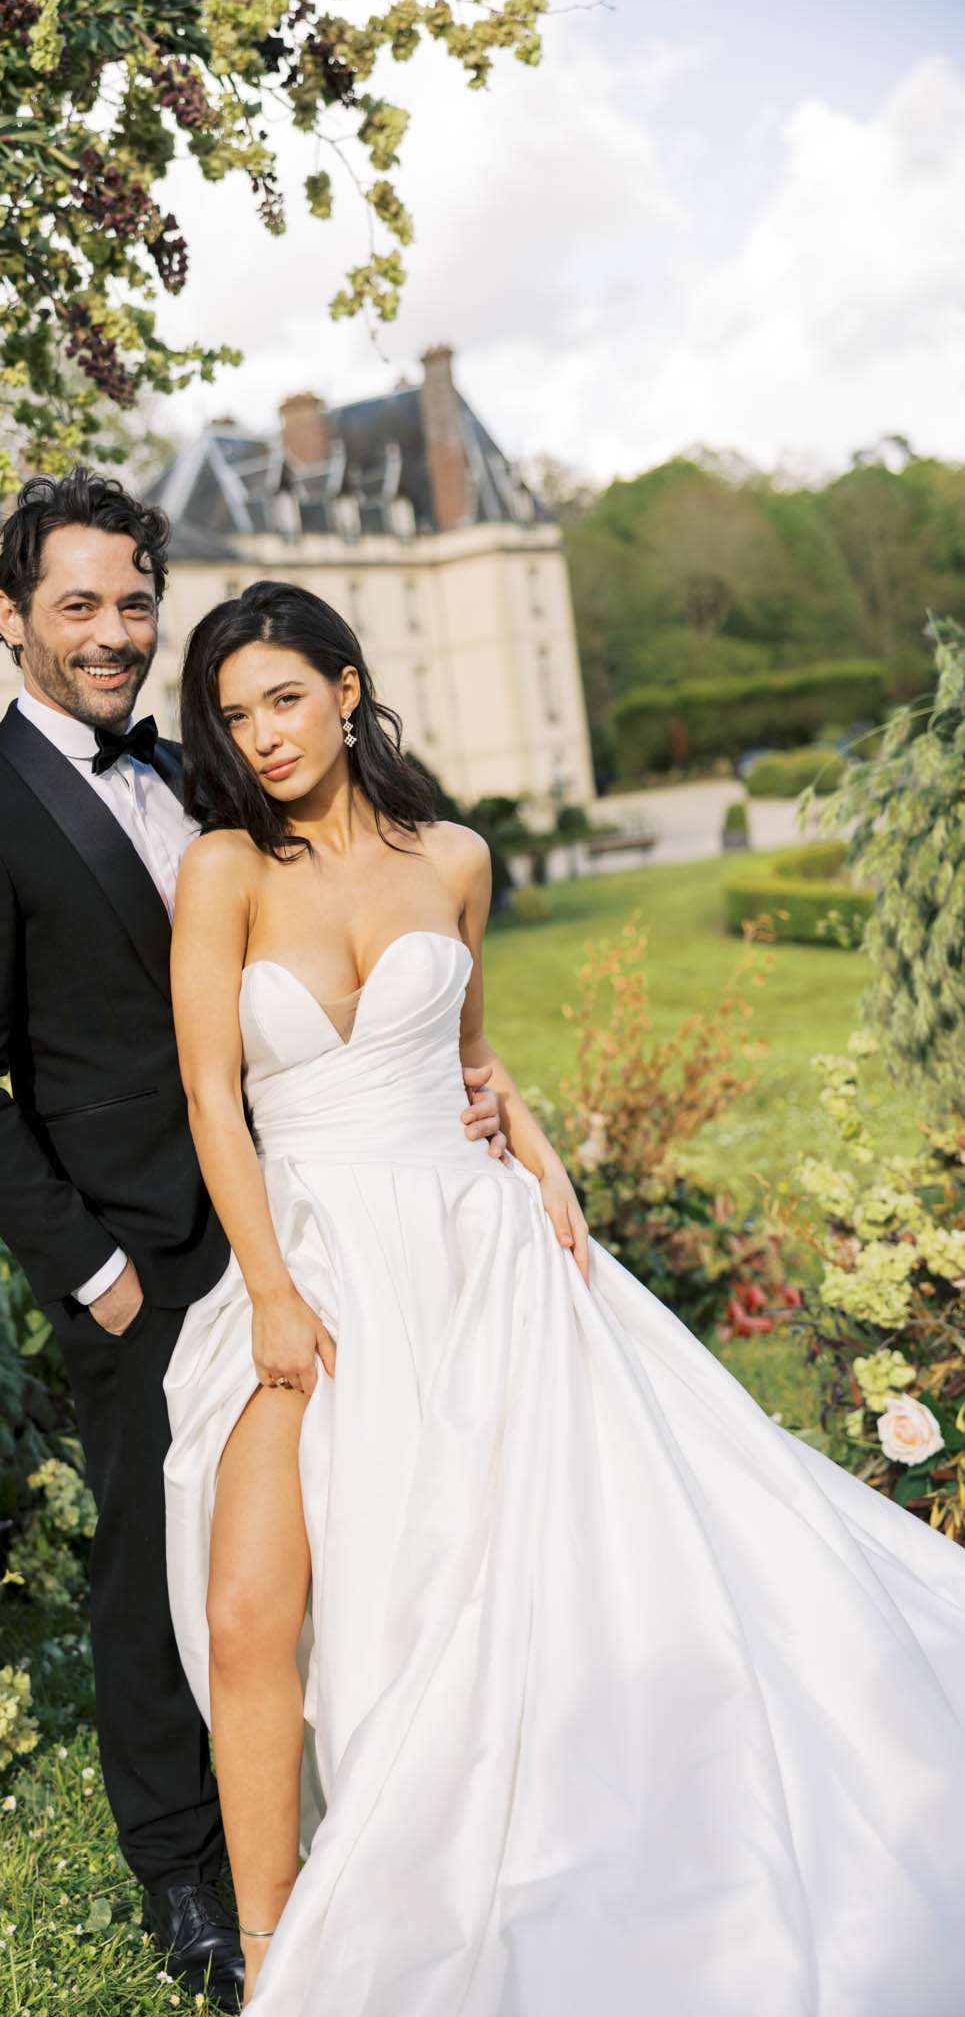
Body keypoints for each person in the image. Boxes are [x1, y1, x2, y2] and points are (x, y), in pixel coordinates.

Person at [161, 578, 965, 2014]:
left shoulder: (455, 857)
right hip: (309, 1262)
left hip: (476, 1256)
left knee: (494, 1582)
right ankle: (275, 1953)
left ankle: (526, 1842)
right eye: (233, 717)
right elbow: (214, 1100)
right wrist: (271, 1290)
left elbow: (467, 1051)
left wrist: (541, 1161)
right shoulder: (224, 868)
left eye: (283, 698)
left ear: (346, 691)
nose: (262, 736)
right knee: (246, 1609)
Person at [0, 472, 526, 2010]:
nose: (111, 633)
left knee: (370, 1536)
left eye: (131, 603)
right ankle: (185, 1876)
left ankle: (389, 1818)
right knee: (160, 1575)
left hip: (323, 1221)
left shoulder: (215, 773)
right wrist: (94, 1273)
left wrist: (477, 1094)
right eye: (76, 606)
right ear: (9, 617)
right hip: (146, 1263)